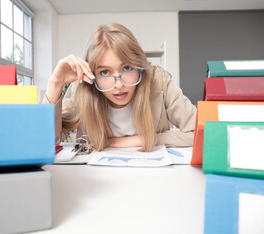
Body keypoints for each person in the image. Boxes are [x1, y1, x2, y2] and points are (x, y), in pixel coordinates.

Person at [43, 23, 197, 152]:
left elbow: (200, 132)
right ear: (92, 74)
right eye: (104, 72)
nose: (119, 84)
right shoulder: (83, 89)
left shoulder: (157, 83)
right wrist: (55, 84)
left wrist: (141, 139)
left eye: (127, 68)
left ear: (139, 66)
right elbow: (45, 142)